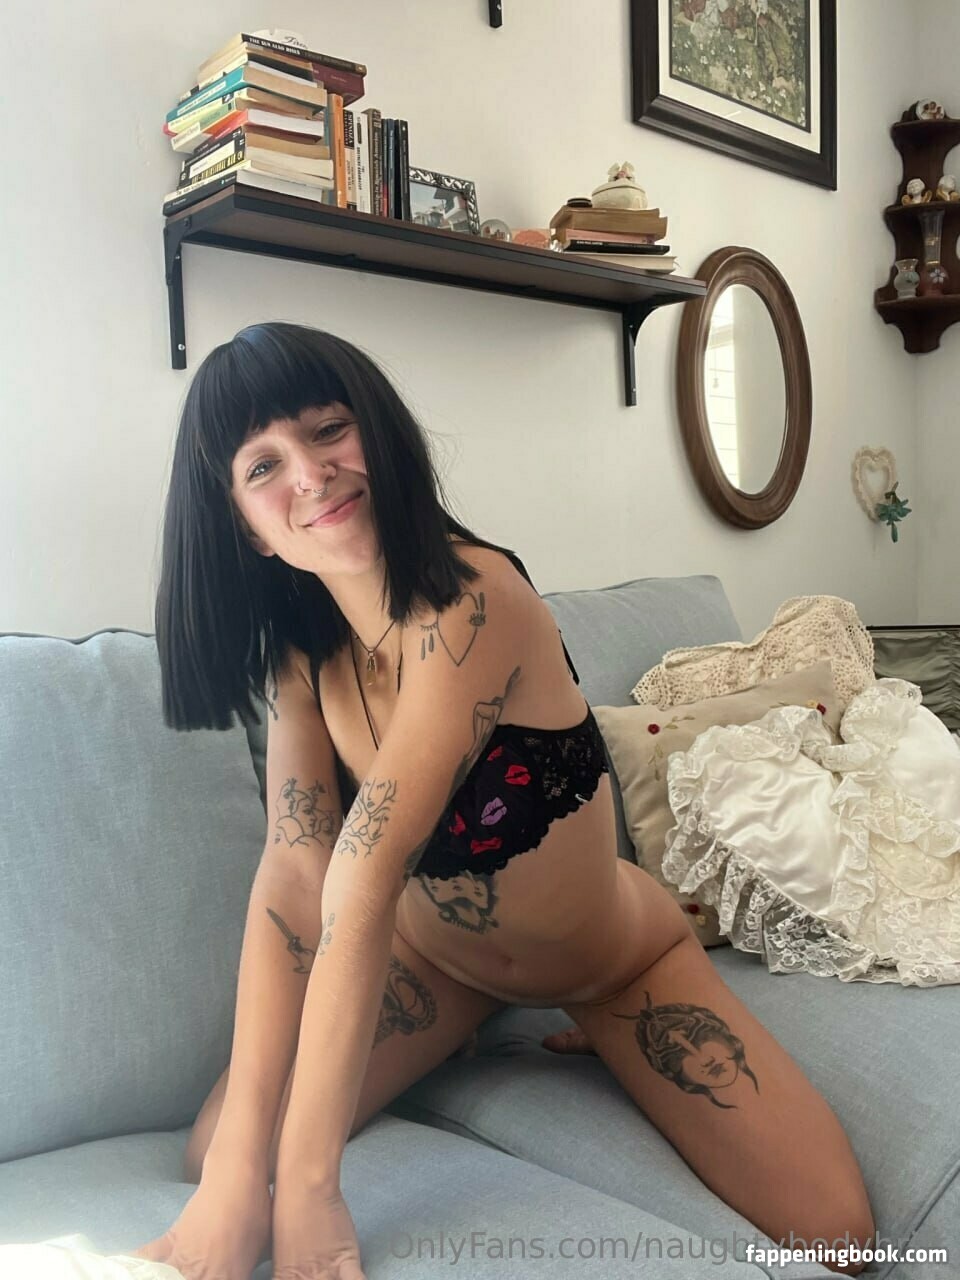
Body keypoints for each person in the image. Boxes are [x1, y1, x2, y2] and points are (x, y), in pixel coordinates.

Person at [132, 322, 874, 1279]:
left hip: (606, 965)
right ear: (242, 523)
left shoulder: (473, 596)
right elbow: (295, 870)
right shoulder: (302, 651)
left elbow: (363, 870)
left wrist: (310, 1189)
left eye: (328, 429)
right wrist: (237, 1178)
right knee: (210, 1149)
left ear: (377, 433)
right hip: (440, 965)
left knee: (839, 1236)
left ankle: (598, 1028)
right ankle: (475, 1020)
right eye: (263, 465)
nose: (311, 474)